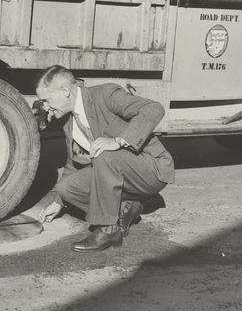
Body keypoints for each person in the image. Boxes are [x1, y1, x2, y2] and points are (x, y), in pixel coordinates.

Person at [35, 65, 175, 251]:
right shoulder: (69, 124)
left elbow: (153, 109)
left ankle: (108, 230)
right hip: (119, 170)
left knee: (104, 151)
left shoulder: (105, 94)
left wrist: (118, 141)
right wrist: (58, 201)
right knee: (65, 187)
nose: (45, 107)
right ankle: (125, 208)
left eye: (46, 100)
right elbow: (72, 165)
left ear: (65, 91)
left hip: (151, 167)